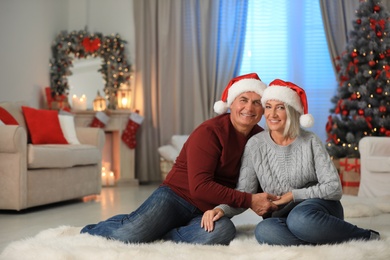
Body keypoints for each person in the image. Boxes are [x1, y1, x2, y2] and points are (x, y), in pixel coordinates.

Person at [80, 73, 280, 245]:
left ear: (263, 109)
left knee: (222, 231)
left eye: (256, 103)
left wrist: (275, 211)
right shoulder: (210, 132)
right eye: (243, 100)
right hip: (176, 197)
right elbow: (200, 187)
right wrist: (249, 200)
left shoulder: (261, 139)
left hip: (210, 209)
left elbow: (262, 182)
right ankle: (93, 230)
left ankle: (163, 232)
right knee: (130, 233)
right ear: (231, 103)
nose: (249, 108)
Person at [202, 79, 380, 246]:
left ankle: (362, 235)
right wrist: (222, 209)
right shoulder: (255, 145)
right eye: (268, 107)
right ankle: (319, 237)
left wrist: (292, 196)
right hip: (281, 215)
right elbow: (245, 192)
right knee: (264, 230)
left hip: (317, 208)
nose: (272, 114)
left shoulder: (310, 141)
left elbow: (334, 188)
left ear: (292, 111)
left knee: (300, 219)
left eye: (280, 107)